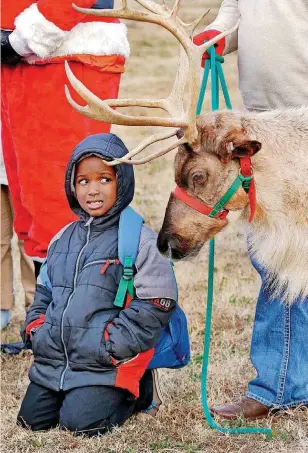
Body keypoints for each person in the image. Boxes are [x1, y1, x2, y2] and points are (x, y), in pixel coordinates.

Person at [17, 133, 178, 435]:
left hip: (105, 363)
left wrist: (110, 345)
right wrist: (37, 330)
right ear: (72, 185)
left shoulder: (138, 240)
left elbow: (158, 304)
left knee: (80, 426)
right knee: (30, 423)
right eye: (83, 181)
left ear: (122, 181)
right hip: (57, 361)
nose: (93, 190)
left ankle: (140, 392)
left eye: (104, 179)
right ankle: (71, 393)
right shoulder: (62, 238)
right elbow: (44, 293)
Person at [194, 0, 308, 420]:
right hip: (263, 122)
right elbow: (235, 11)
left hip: (302, 118)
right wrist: (219, 35)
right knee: (276, 258)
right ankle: (278, 385)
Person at [1, 0, 128, 265]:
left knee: (58, 202)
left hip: (61, 55)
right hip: (21, 58)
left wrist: (26, 37)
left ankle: (68, 302)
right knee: (30, 201)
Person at [1, 149, 36, 329]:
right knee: (0, 241)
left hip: (23, 165)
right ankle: (2, 306)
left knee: (30, 239)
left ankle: (35, 306)